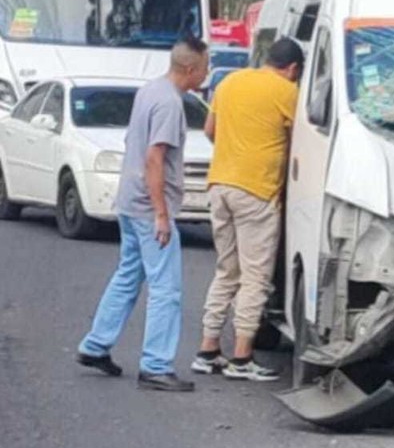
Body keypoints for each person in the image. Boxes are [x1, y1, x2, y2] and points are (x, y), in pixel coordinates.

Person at [76, 37, 210, 392]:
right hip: (149, 207)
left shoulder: (150, 91)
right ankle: (156, 365)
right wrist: (162, 215)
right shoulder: (169, 104)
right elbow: (155, 158)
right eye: (205, 67)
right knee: (167, 288)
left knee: (128, 274)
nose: (207, 74)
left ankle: (96, 344)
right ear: (190, 68)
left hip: (129, 199)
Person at [193, 38, 303, 381]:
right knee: (255, 276)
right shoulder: (287, 92)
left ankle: (208, 349)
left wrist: (235, 151)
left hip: (220, 185)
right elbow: (304, 142)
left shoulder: (230, 82)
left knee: (227, 271)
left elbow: (210, 130)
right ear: (294, 69)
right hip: (256, 191)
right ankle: (242, 358)